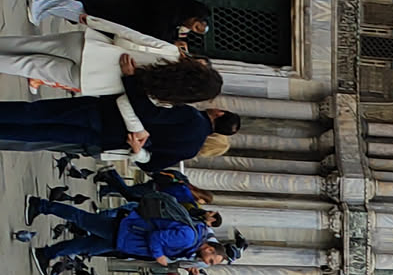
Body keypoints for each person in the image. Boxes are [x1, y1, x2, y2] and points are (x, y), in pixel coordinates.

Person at [0, 76, 228, 170]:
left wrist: (131, 79)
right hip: (106, 140)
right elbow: (150, 166)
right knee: (42, 134)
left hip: (107, 115)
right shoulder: (190, 150)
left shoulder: (191, 116)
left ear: (219, 113)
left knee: (39, 113)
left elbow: (148, 113)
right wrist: (137, 150)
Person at [22, 201, 226, 270]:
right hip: (127, 231)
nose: (206, 262)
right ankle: (40, 205)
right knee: (81, 219)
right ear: (209, 249)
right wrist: (159, 256)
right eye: (210, 260)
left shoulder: (193, 241)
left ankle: (47, 253)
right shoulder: (189, 238)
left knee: (86, 246)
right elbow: (157, 238)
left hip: (126, 239)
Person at [28, 0, 211, 49]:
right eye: (195, 26)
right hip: (120, 13)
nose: (192, 28)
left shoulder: (177, 17)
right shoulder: (174, 7)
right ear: (194, 16)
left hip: (121, 15)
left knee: (82, 10)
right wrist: (170, 40)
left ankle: (41, 5)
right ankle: (39, 4)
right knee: (82, 11)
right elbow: (157, 27)